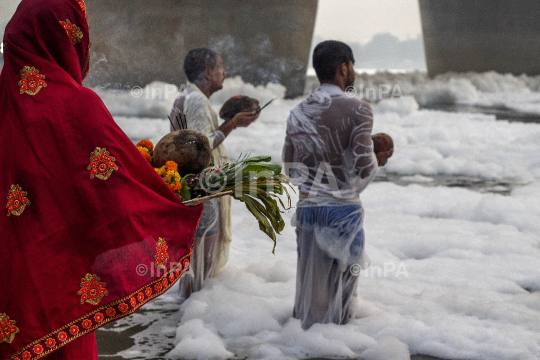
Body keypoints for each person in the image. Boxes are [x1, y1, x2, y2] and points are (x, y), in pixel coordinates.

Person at [0, 0, 203, 359]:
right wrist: (172, 199)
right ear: (68, 38)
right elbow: (115, 193)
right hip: (59, 296)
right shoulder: (78, 107)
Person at [282, 40, 392, 329]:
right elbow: (361, 164)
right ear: (343, 67)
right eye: (352, 66)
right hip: (342, 214)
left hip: (307, 213)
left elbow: (290, 169)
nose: (353, 72)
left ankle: (300, 347)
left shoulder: (297, 112)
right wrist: (377, 159)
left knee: (311, 303)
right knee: (342, 305)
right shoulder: (358, 109)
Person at [170, 48, 259, 300]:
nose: (224, 71)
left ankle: (186, 320)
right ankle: (192, 322)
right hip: (202, 192)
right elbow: (200, 146)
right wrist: (232, 124)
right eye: (220, 66)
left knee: (192, 271)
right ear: (208, 73)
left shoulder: (185, 96)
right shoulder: (197, 100)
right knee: (200, 272)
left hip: (190, 188)